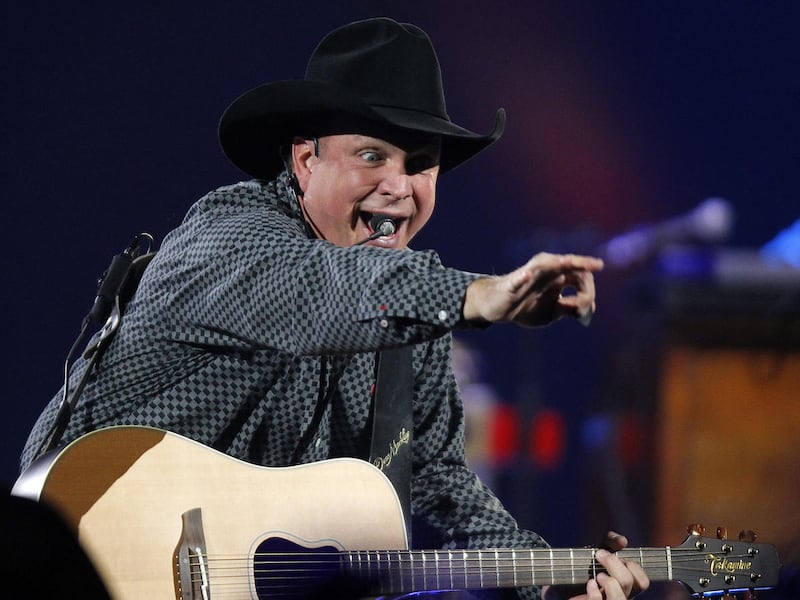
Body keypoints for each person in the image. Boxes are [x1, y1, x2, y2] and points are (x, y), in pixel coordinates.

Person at [19, 17, 648, 600]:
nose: (398, 187)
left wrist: (549, 582)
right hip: (77, 553)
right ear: (305, 160)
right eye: (372, 156)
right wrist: (479, 295)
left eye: (420, 165)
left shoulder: (409, 306)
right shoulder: (226, 238)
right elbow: (317, 290)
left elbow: (438, 475)